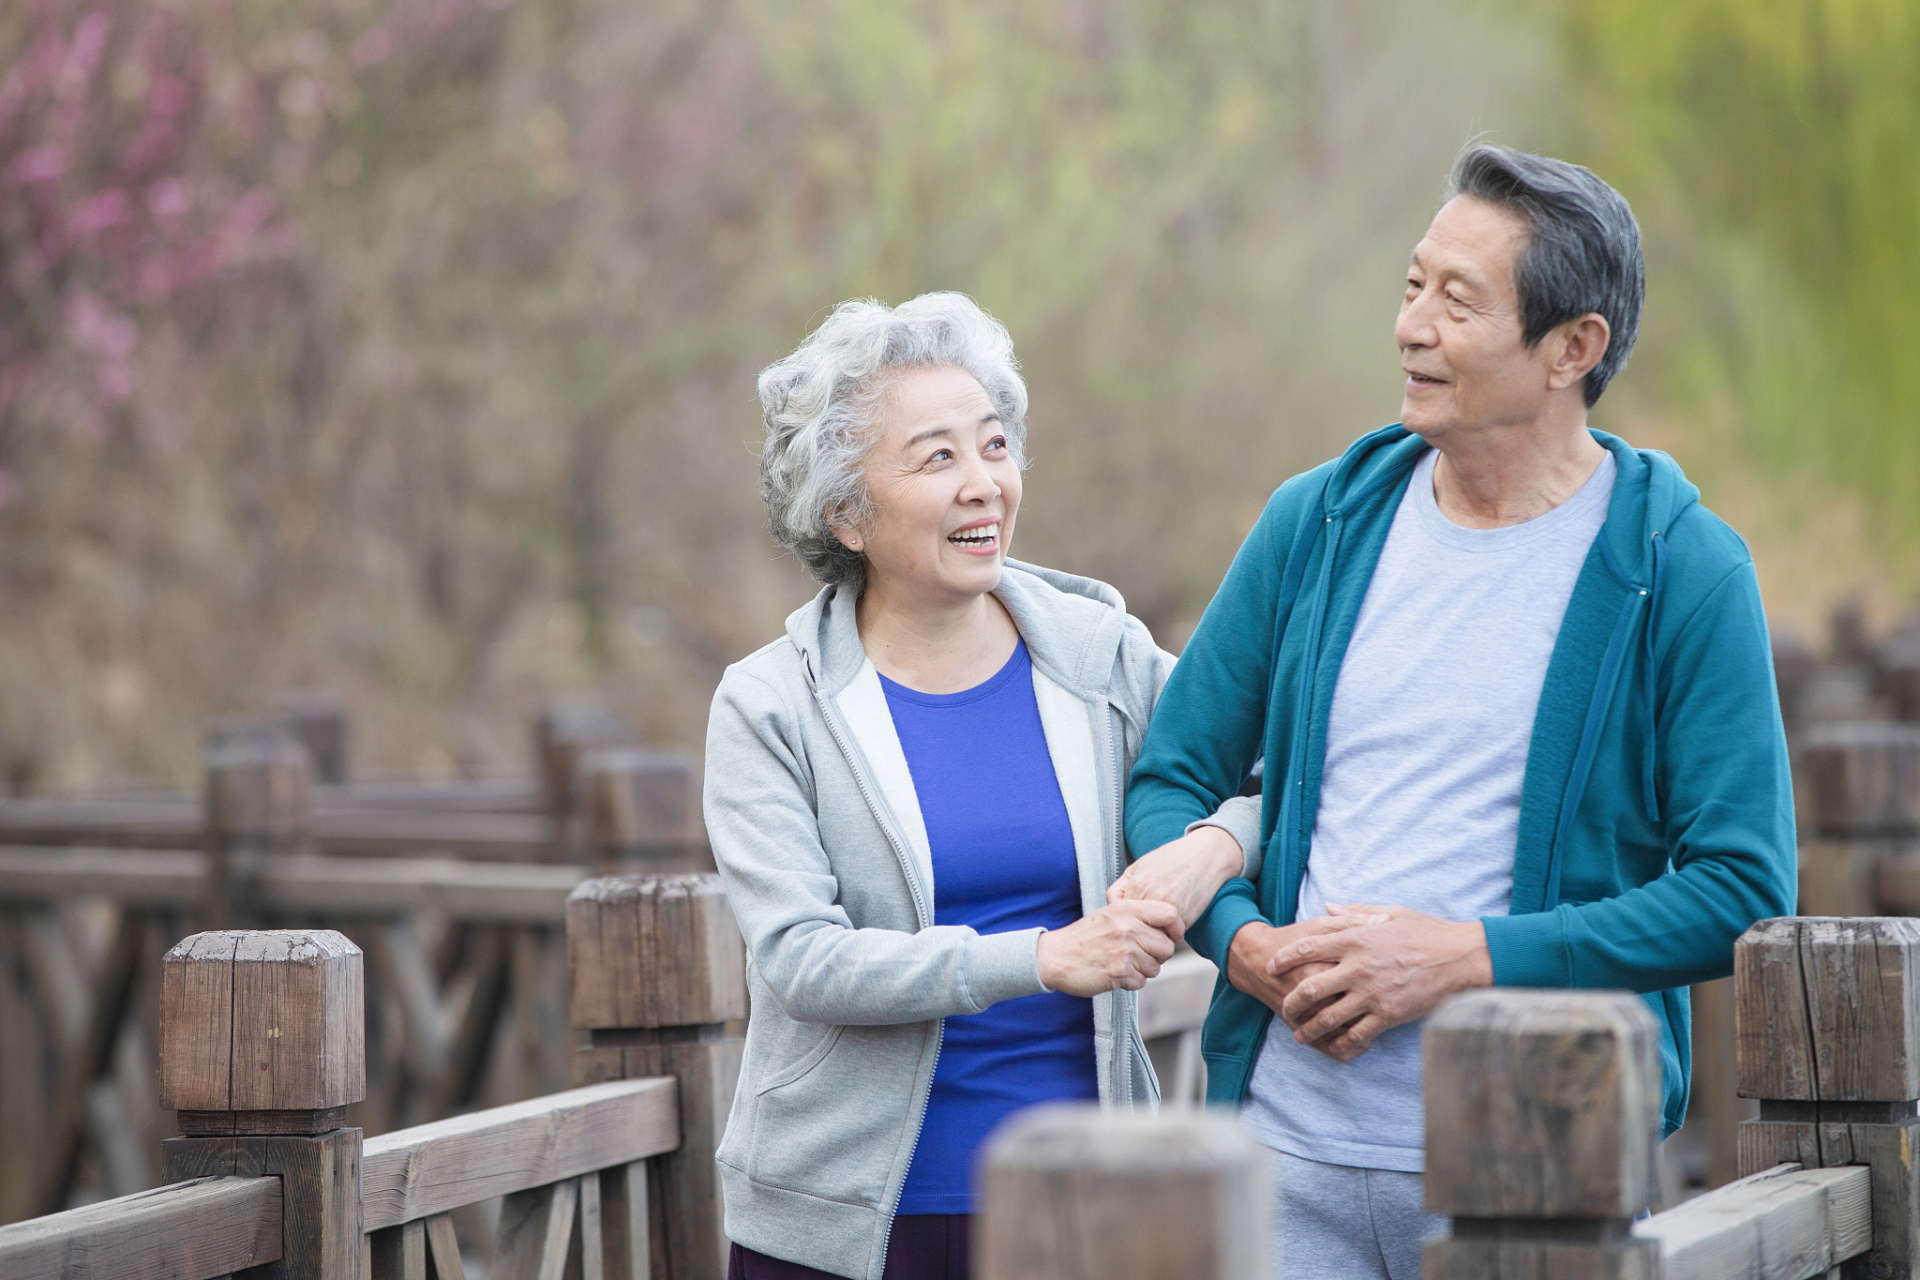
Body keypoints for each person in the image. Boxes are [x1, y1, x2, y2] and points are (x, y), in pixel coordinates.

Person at [1113, 145, 1797, 1279]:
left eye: (1457, 299)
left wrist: (1465, 956)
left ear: (1572, 348)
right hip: (1278, 1157)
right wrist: (1240, 943)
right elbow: (1168, 778)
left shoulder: (1682, 566)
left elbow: (1741, 887)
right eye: (1412, 283)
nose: (1412, 325)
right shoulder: (1318, 523)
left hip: (1537, 1173)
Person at [703, 292, 1263, 1280]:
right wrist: (1042, 957)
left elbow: (1273, 775)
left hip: (1084, 1203)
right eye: (937, 456)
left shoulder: (1103, 660)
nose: (984, 484)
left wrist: (1211, 849)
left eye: (994, 445)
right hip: (841, 1223)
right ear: (847, 511)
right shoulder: (770, 703)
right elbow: (801, 957)